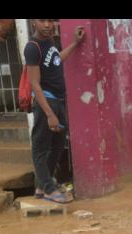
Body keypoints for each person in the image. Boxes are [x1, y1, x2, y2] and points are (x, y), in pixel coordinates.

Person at [24, 19, 84, 203]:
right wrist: (49, 113)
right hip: (46, 103)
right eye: (43, 21)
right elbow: (34, 82)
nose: (48, 25)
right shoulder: (32, 47)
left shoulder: (48, 41)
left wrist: (75, 43)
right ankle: (49, 189)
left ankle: (42, 186)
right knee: (41, 147)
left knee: (58, 143)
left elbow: (57, 59)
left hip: (57, 100)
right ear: (34, 22)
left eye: (50, 21)